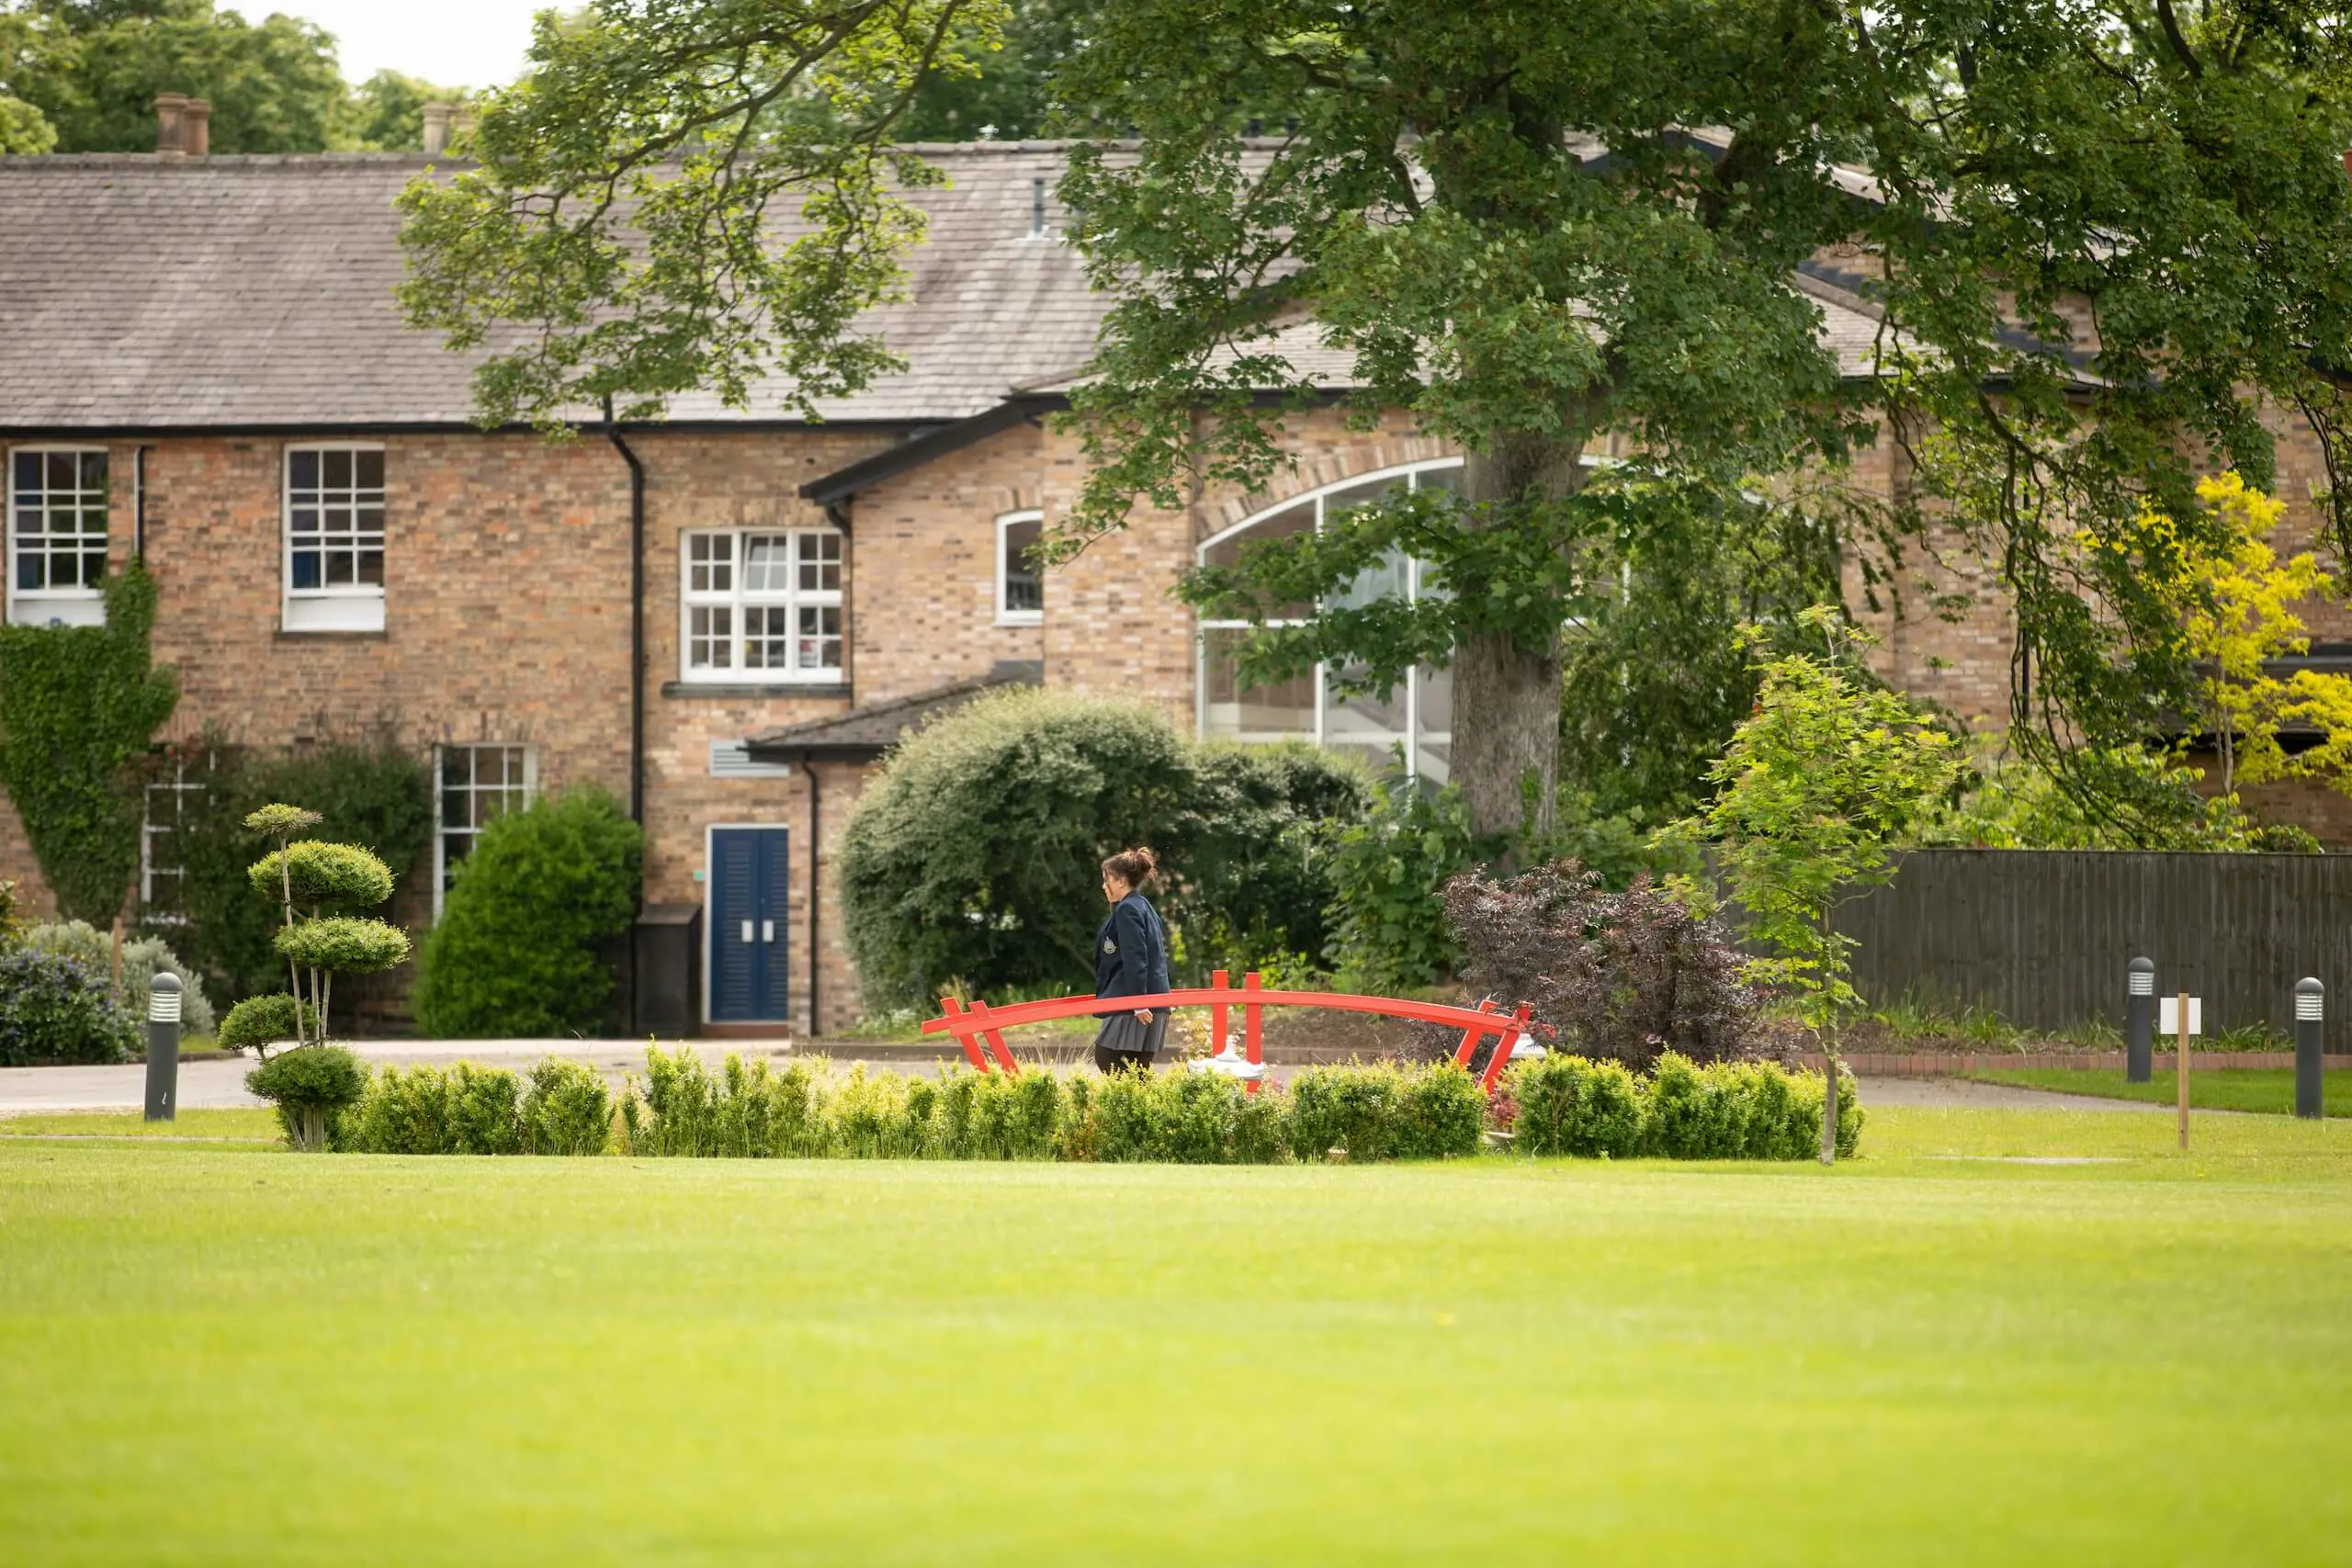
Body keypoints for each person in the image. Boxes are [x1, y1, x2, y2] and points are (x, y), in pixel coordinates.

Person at [1092, 847, 1170, 1073]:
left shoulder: (1128, 909)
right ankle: (1149, 1107)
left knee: (1106, 1056)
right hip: (1151, 998)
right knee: (1139, 1069)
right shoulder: (1141, 905)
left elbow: (1136, 957)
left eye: (1106, 879)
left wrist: (1138, 1002)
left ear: (1119, 881)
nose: (1104, 886)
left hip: (1136, 1002)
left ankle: (1149, 1106)